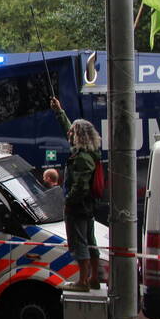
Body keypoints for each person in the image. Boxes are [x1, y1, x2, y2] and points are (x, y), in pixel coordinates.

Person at [50, 97, 102, 291]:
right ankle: (94, 278)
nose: (69, 133)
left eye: (72, 131)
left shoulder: (81, 158)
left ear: (78, 135)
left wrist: (68, 201)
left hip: (78, 207)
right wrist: (59, 111)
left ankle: (82, 282)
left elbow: (80, 187)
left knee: (80, 242)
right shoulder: (89, 152)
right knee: (91, 241)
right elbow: (68, 129)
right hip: (88, 207)